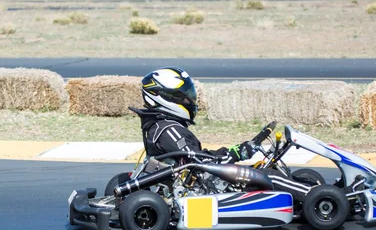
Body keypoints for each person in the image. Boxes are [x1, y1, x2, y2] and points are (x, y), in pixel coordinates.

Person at [130, 67, 312, 201]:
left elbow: (195, 157)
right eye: (183, 97)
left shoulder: (162, 126)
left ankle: (309, 189)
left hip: (198, 181)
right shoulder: (169, 130)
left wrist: (235, 151)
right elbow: (200, 165)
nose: (189, 100)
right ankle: (318, 198)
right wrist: (235, 154)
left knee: (264, 169)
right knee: (268, 176)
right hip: (204, 189)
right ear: (165, 97)